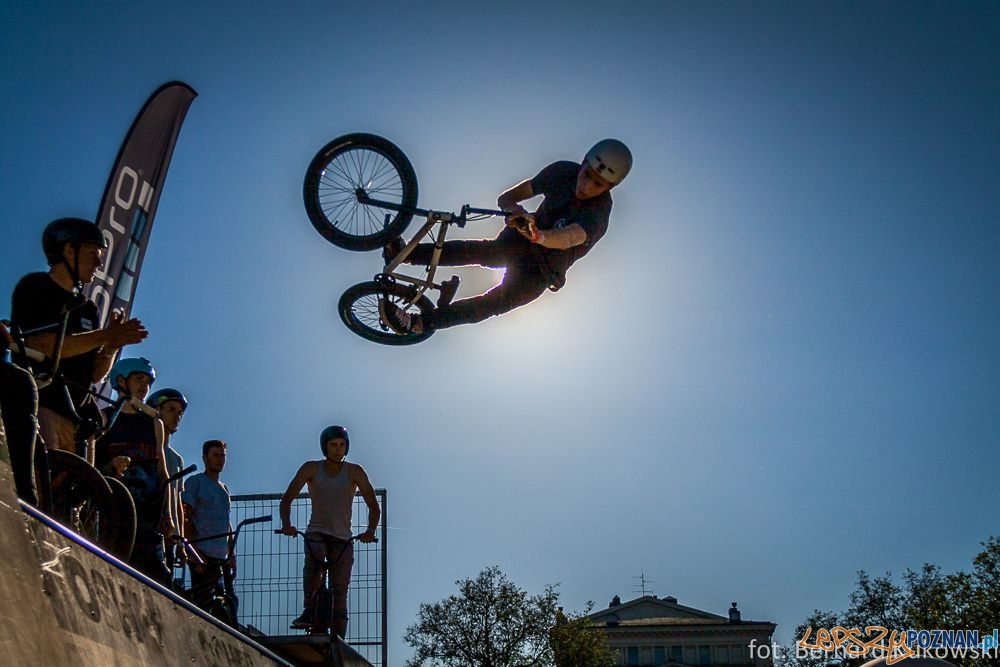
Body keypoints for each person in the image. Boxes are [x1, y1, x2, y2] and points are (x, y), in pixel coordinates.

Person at [378, 139, 632, 334]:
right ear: (583, 162)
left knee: (494, 303)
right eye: (587, 174)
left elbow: (569, 237)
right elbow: (507, 197)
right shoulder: (561, 172)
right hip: (522, 238)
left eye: (598, 184)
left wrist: (539, 236)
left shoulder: (598, 213)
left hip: (542, 270)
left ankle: (417, 323)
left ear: (609, 188)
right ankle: (406, 254)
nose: (587, 186)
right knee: (483, 252)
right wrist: (515, 211)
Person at [9, 217, 147, 460]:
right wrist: (104, 335)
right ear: (69, 250)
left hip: (79, 419)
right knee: (43, 483)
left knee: (81, 495)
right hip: (43, 406)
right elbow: (39, 344)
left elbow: (94, 374)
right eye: (93, 252)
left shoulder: (88, 308)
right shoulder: (34, 286)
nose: (99, 261)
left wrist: (111, 346)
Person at [279, 425, 380, 638]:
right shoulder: (311, 468)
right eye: (333, 445)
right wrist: (287, 524)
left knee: (340, 591)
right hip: (317, 531)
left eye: (342, 445)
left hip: (343, 538)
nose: (337, 450)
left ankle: (338, 640)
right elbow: (287, 498)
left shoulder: (354, 471)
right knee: (314, 571)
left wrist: (370, 531)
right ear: (324, 447)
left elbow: (373, 505)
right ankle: (310, 613)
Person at [95, 356, 171, 584]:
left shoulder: (153, 422)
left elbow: (162, 470)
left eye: (148, 382)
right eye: (138, 378)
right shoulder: (105, 418)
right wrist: (110, 466)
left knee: (159, 576)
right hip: (115, 512)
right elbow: (92, 467)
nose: (144, 386)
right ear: (120, 380)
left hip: (149, 514)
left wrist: (167, 513)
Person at [181, 439, 234, 612]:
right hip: (202, 554)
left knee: (229, 602)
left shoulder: (224, 489)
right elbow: (185, 515)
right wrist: (192, 550)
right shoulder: (195, 482)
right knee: (205, 604)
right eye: (215, 455)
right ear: (205, 458)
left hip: (222, 557)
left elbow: (227, 522)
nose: (219, 459)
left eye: (222, 456)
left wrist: (232, 554)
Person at [147, 387, 189, 572]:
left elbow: (177, 502)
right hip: (148, 527)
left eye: (179, 412)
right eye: (171, 409)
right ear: (157, 410)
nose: (177, 416)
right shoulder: (145, 448)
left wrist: (181, 541)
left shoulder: (176, 459)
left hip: (170, 535)